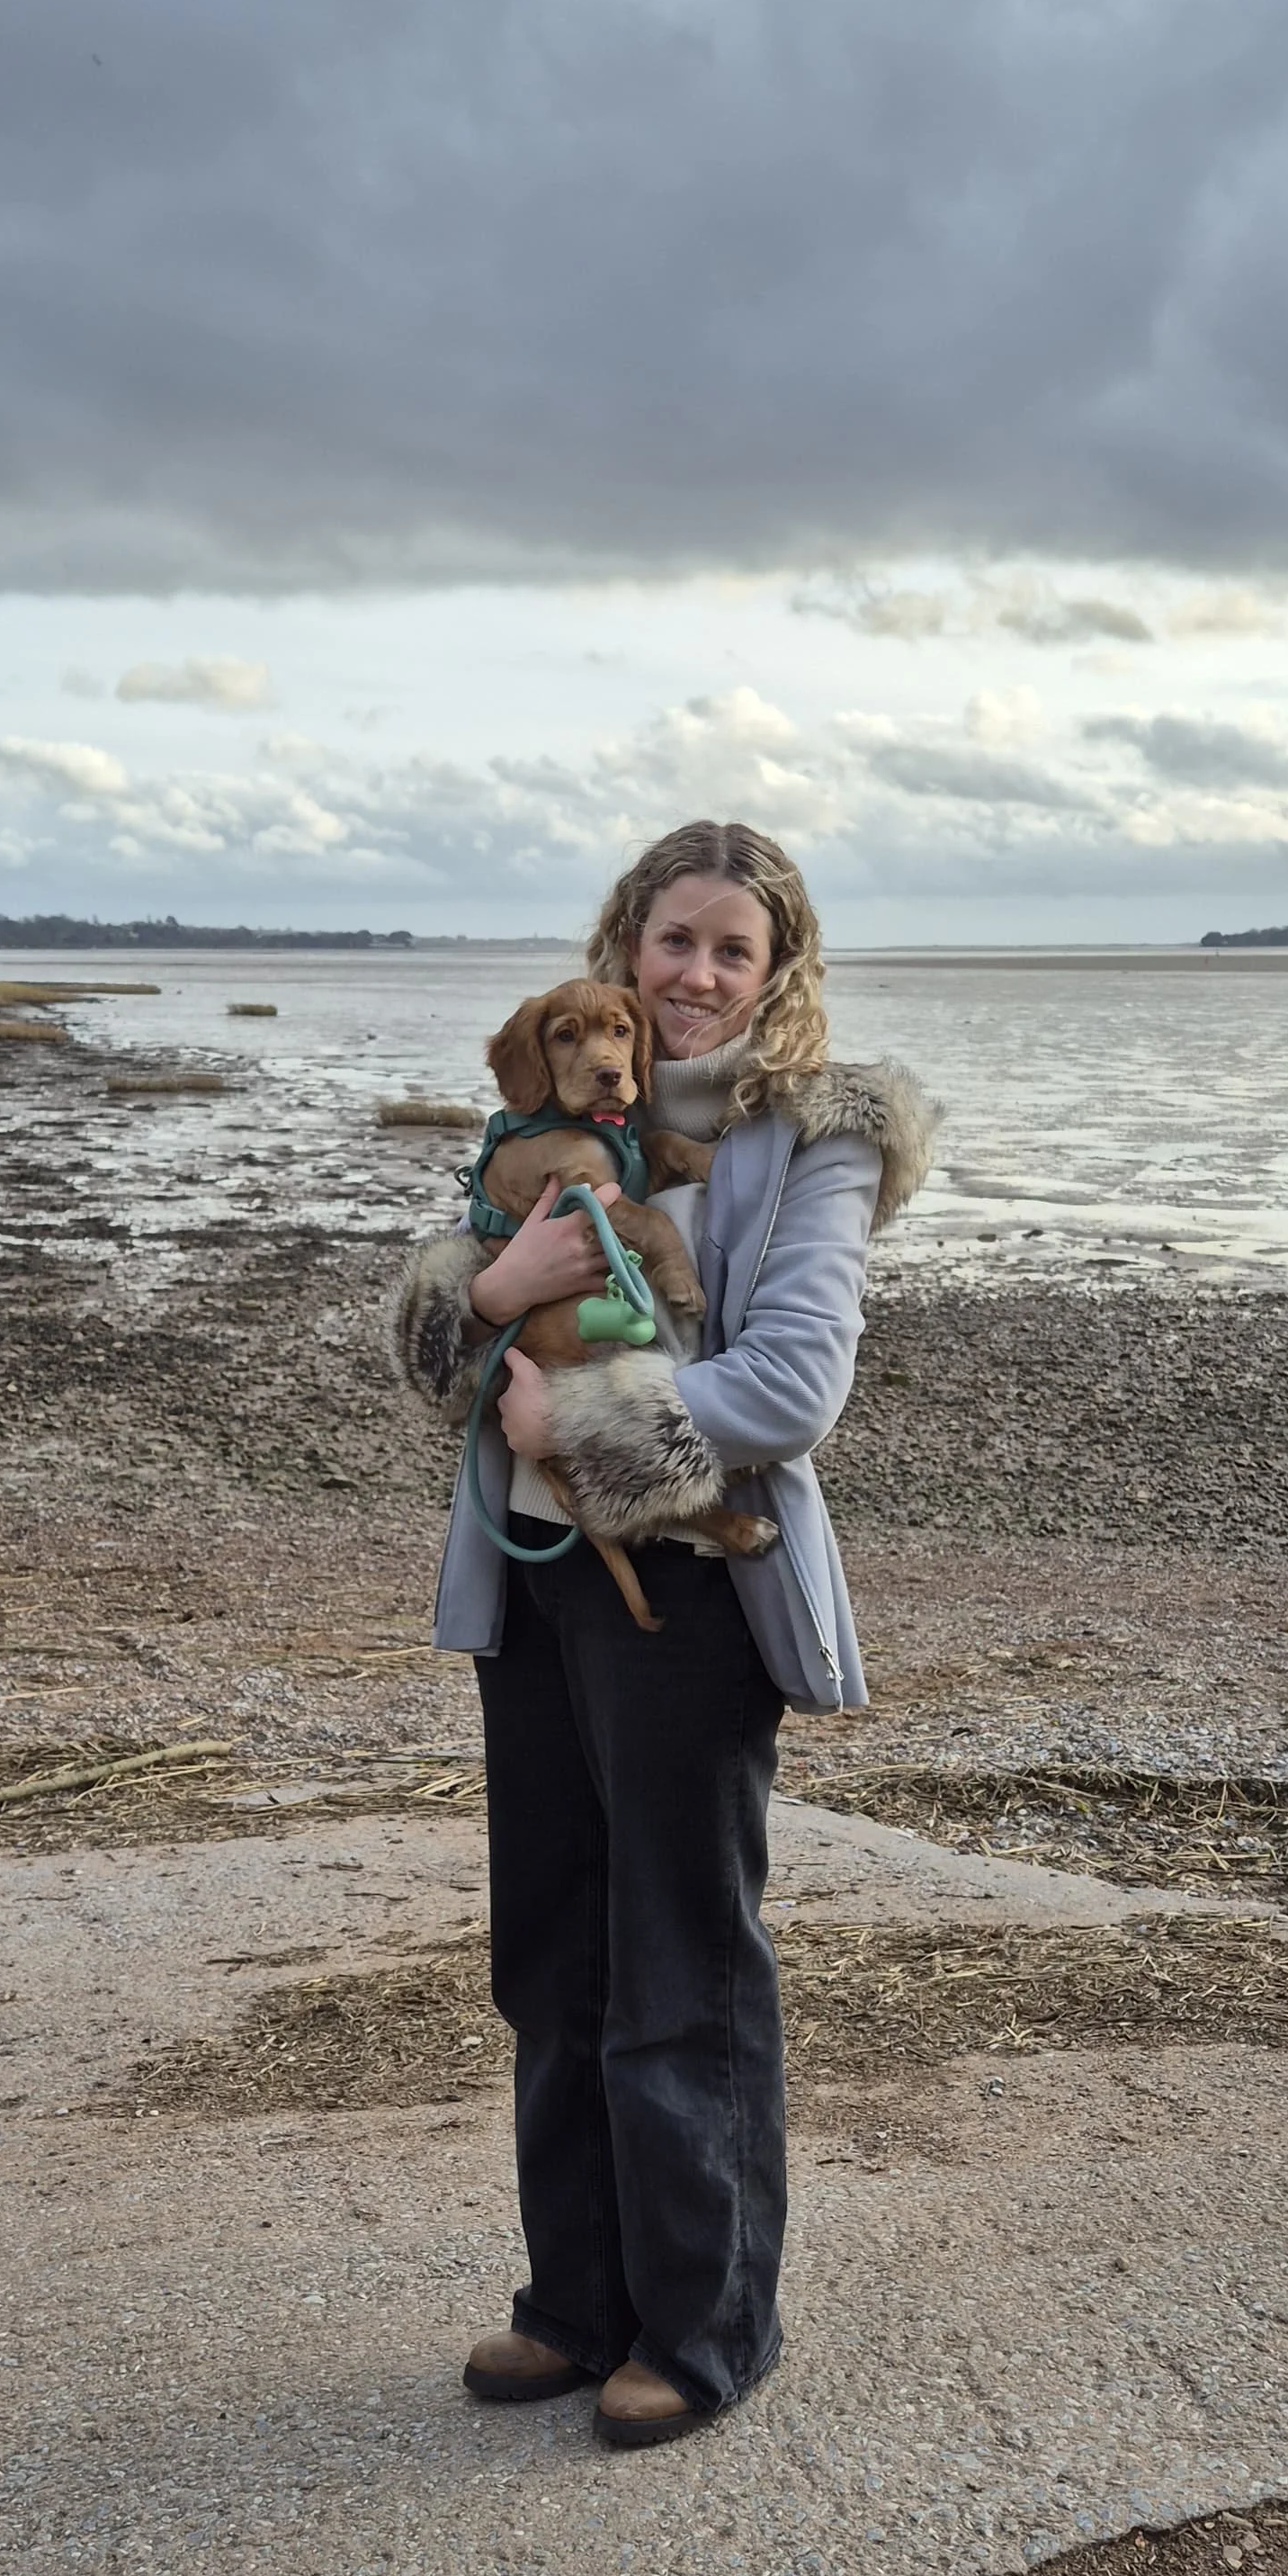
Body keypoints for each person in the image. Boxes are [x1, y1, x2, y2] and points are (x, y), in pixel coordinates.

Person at [395, 818, 934, 2448]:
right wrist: (494, 1304)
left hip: (695, 1587)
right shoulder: (535, 1127)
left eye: (731, 951)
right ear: (623, 949)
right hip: (538, 1591)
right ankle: (574, 2307)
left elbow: (790, 1388)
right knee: (548, 1953)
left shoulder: (814, 1138)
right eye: (670, 941)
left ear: (777, 977)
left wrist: (580, 1421)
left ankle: (704, 2333)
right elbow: (438, 1347)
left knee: (680, 1964)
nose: (693, 976)